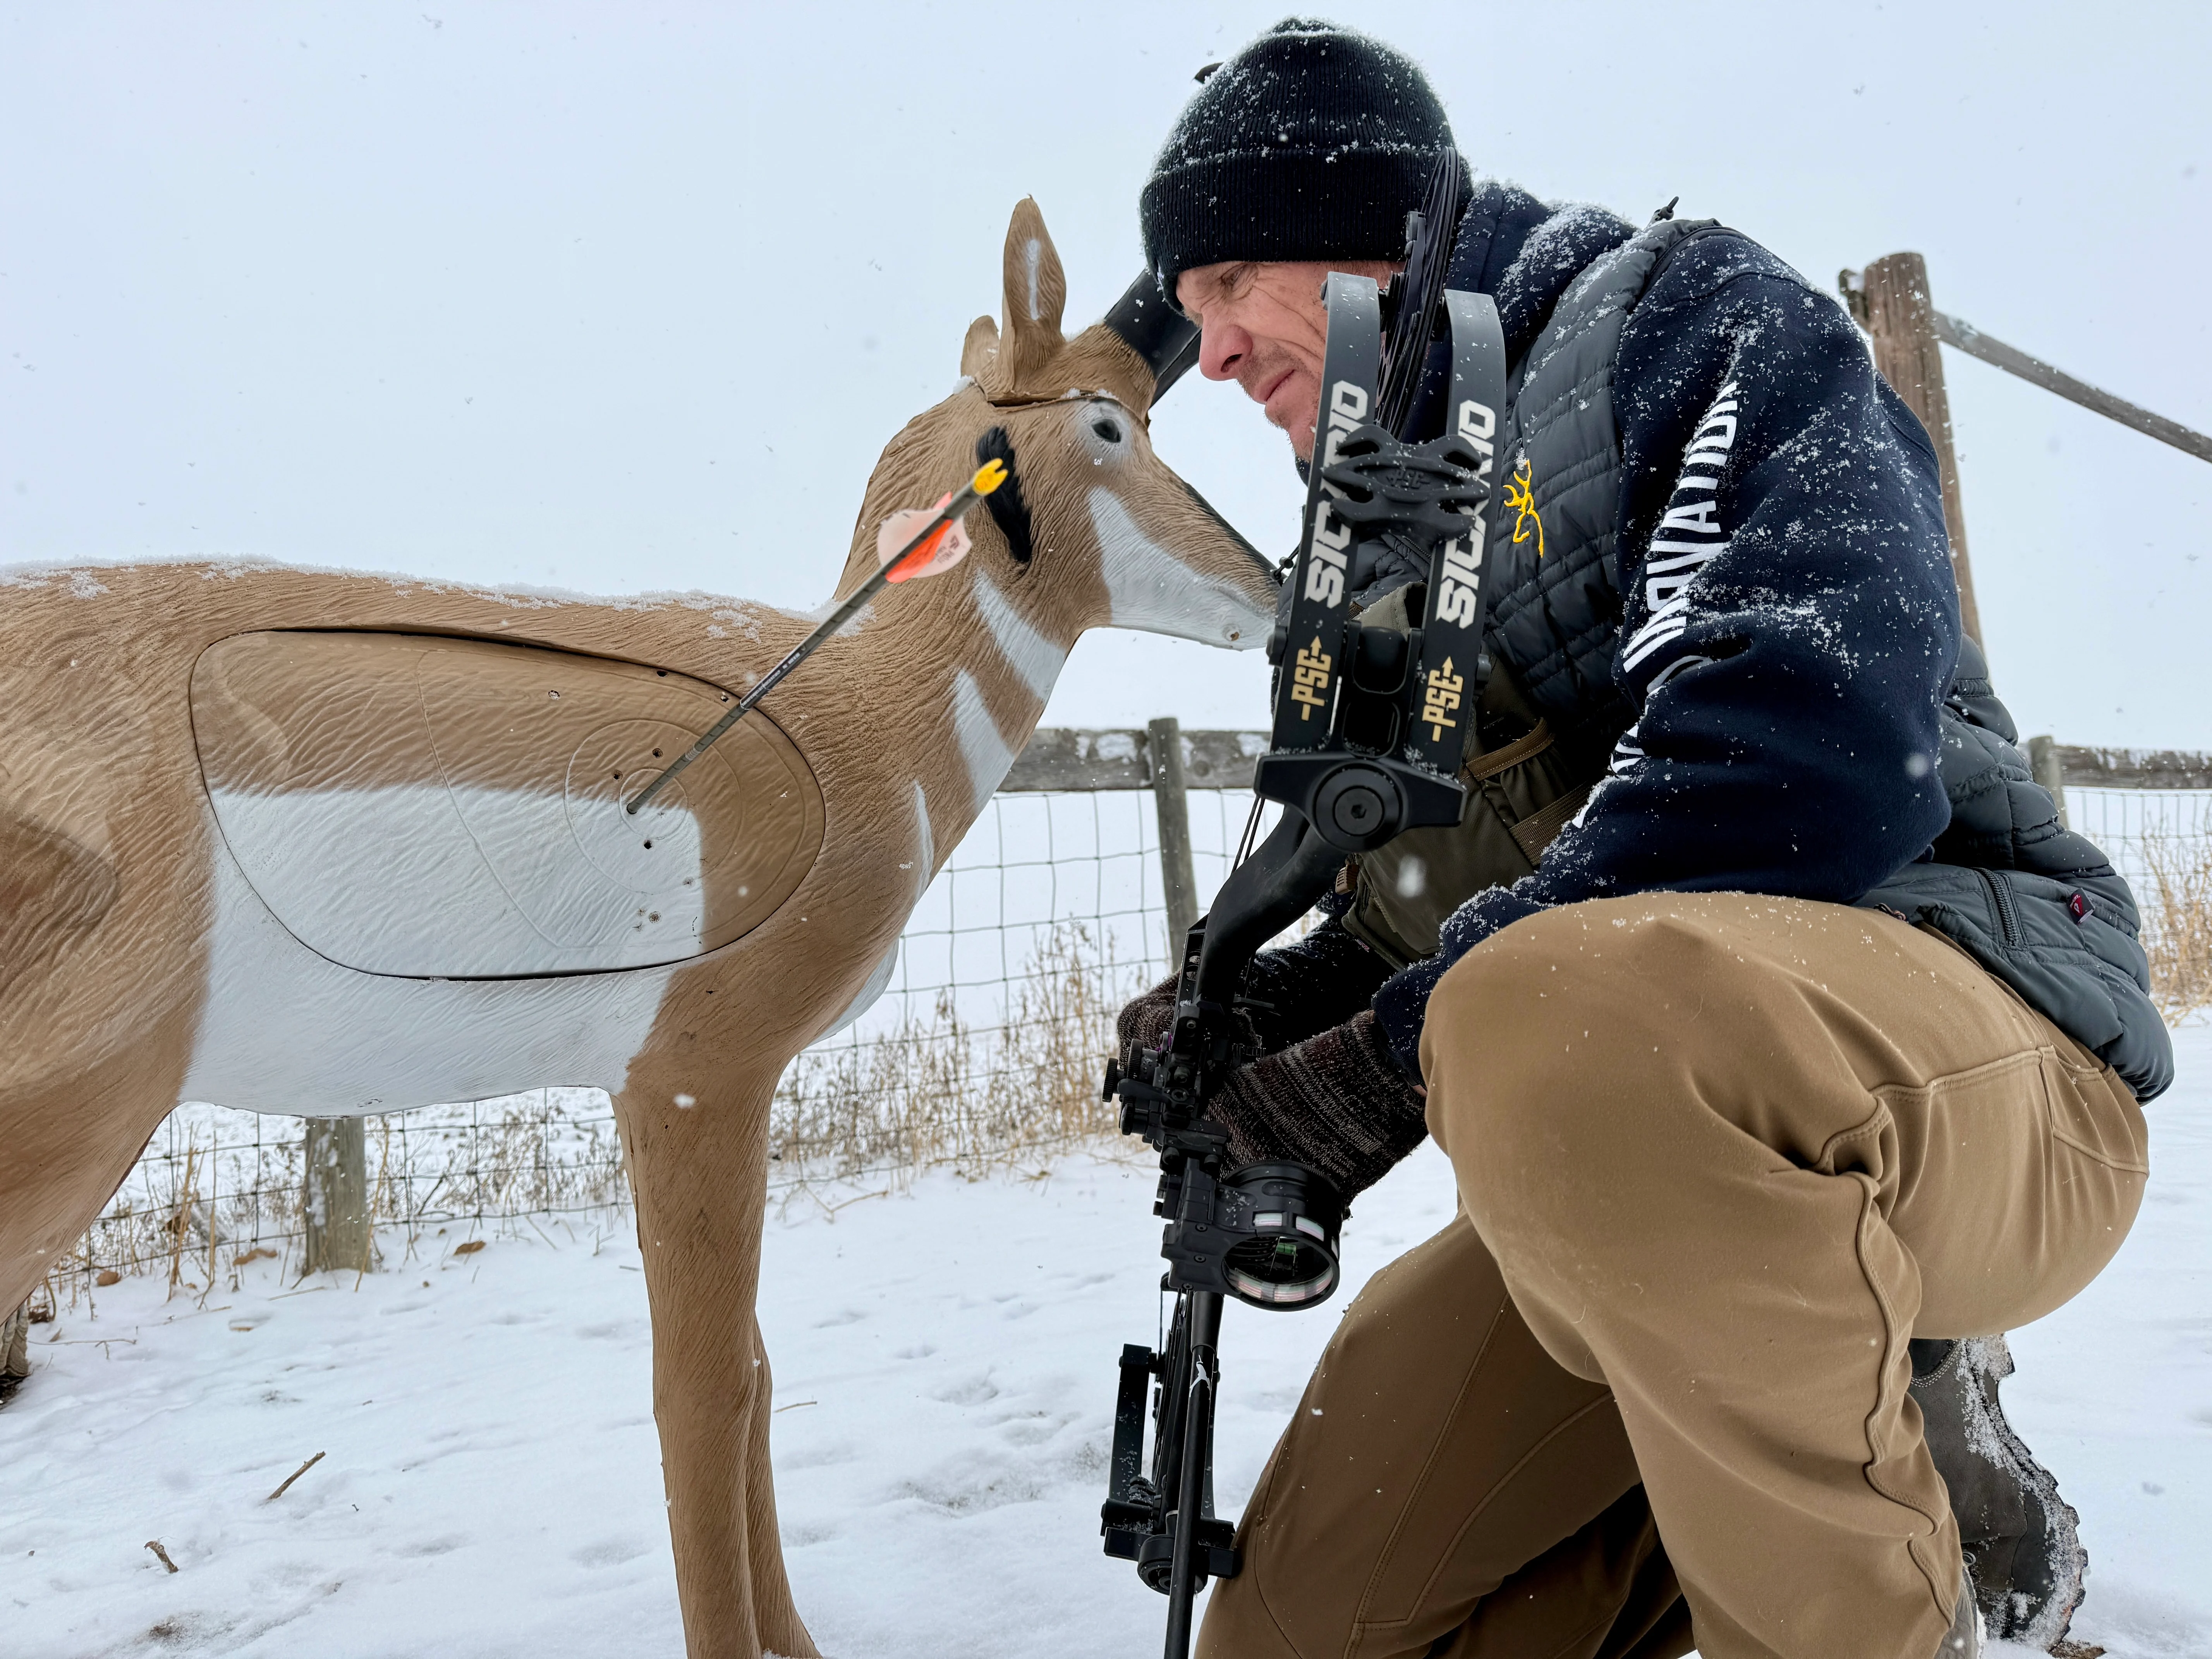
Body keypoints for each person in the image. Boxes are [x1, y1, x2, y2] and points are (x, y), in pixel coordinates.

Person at [1118, 19, 2166, 1659]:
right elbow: (1427, 908)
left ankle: (1899, 1558)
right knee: (1308, 1628)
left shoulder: (1681, 323)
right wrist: (1284, 1010)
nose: (1219, 355)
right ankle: (1820, 1453)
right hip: (1635, 1153)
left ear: (1374, 230)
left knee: (1548, 1015)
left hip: (1981, 1069)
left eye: (1235, 282)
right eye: (1189, 314)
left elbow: (1807, 748)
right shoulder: (1384, 537)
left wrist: (1390, 1054)